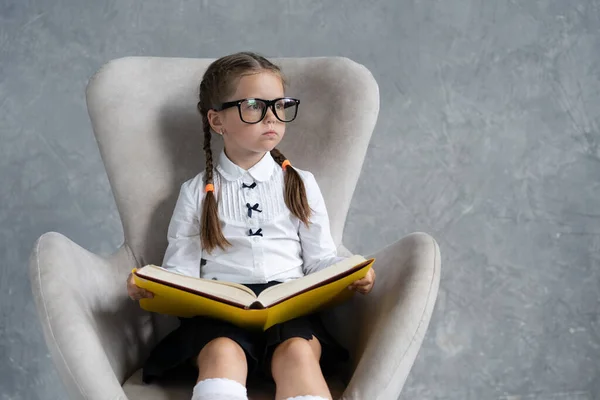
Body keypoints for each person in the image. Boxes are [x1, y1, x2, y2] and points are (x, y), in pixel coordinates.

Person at [126, 51, 376, 400]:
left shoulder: (301, 183)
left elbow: (320, 260)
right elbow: (179, 272)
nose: (271, 117)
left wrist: (351, 272)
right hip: (219, 315)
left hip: (289, 309)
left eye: (280, 105)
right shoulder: (196, 192)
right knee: (222, 352)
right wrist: (150, 285)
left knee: (299, 354)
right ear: (217, 121)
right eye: (255, 106)